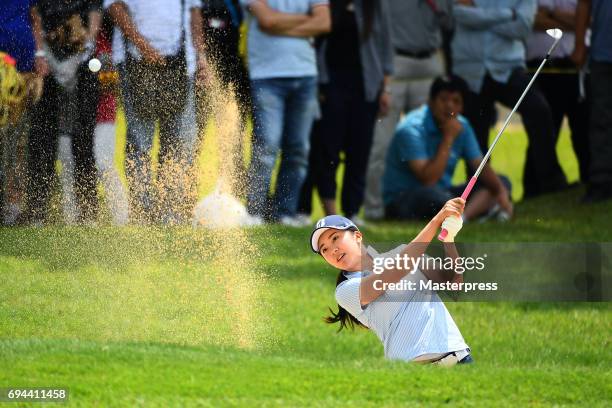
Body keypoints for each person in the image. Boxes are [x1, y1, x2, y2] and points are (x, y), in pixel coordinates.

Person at [310, 204, 473, 365]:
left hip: (458, 357)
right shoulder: (345, 291)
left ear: (357, 236)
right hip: (411, 369)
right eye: (324, 249)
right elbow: (396, 271)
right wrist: (437, 220)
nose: (333, 250)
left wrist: (449, 240)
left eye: (335, 238)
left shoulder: (404, 253)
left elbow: (454, 284)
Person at [452, 0, 568, 199]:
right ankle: (480, 190)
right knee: (476, 132)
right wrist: (508, 14)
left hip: (508, 67)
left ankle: (544, 183)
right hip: (470, 70)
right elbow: (460, 15)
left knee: (539, 111)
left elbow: (522, 28)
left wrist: (479, 17)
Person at [106, 0, 205, 224]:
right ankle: (142, 213)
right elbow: (114, 7)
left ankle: (170, 213)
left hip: (181, 65)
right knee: (140, 143)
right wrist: (144, 47)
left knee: (179, 146)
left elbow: (194, 13)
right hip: (135, 62)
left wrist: (201, 58)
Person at [298, 0, 394, 226]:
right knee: (327, 152)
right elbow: (315, 44)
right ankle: (330, 213)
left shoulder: (374, 6)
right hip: (330, 88)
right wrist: (319, 84)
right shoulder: (325, 5)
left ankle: (351, 212)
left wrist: (385, 88)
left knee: (359, 153)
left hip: (366, 89)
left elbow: (384, 47)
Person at [240, 0, 331, 225]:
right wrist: (306, 22)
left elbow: (324, 22)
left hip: (305, 75)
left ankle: (285, 213)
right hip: (266, 76)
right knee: (266, 146)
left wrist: (279, 24)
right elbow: (266, 20)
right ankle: (254, 213)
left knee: (298, 149)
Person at [363, 0, 454, 220]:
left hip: (430, 61)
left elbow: (450, 23)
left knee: (430, 143)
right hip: (395, 62)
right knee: (381, 143)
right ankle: (374, 210)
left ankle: (429, 206)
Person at [383, 76, 513, 221]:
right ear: (431, 102)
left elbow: (479, 166)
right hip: (405, 198)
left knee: (501, 181)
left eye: (456, 101)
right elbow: (428, 179)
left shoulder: (462, 125)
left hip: (443, 193)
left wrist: (501, 191)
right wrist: (448, 138)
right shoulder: (411, 129)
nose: (449, 106)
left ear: (462, 107)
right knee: (432, 195)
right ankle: (477, 210)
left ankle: (463, 218)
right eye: (444, 99)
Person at [25, 0, 102, 225]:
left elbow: (95, 10)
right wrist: (40, 51)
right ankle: (37, 212)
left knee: (84, 142)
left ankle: (88, 214)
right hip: (46, 59)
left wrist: (88, 42)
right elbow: (34, 13)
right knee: (42, 141)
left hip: (83, 59)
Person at [527, 0, 590, 185]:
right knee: (544, 129)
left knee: (583, 128)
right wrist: (577, 23)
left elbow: (590, 19)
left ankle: (590, 181)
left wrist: (552, 13)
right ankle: (539, 187)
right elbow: (534, 19)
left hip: (577, 66)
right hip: (543, 68)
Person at [0, 0, 43, 225]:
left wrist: (40, 54)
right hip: (2, 67)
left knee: (18, 141)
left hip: (24, 68)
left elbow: (35, 19)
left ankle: (13, 206)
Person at [573, 0, 612, 202]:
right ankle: (601, 181)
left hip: (602, 55)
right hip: (603, 56)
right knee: (600, 121)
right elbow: (584, 5)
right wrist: (579, 44)